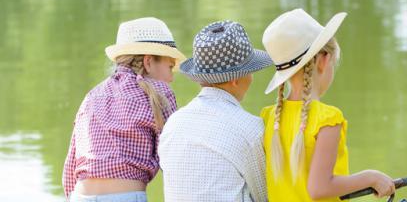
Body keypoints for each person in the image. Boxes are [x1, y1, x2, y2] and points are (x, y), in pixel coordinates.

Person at [260, 9, 396, 201]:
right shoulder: (327, 119)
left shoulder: (269, 117)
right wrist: (370, 178)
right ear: (323, 60)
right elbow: (319, 188)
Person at [62, 17, 187, 202]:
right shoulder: (160, 92)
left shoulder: (92, 95)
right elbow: (174, 159)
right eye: (169, 67)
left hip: (80, 196)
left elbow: (70, 167)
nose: (171, 78)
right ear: (148, 62)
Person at [158, 20, 272, 202]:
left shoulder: (173, 123)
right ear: (235, 79)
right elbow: (264, 195)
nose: (251, 78)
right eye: (250, 71)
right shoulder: (250, 129)